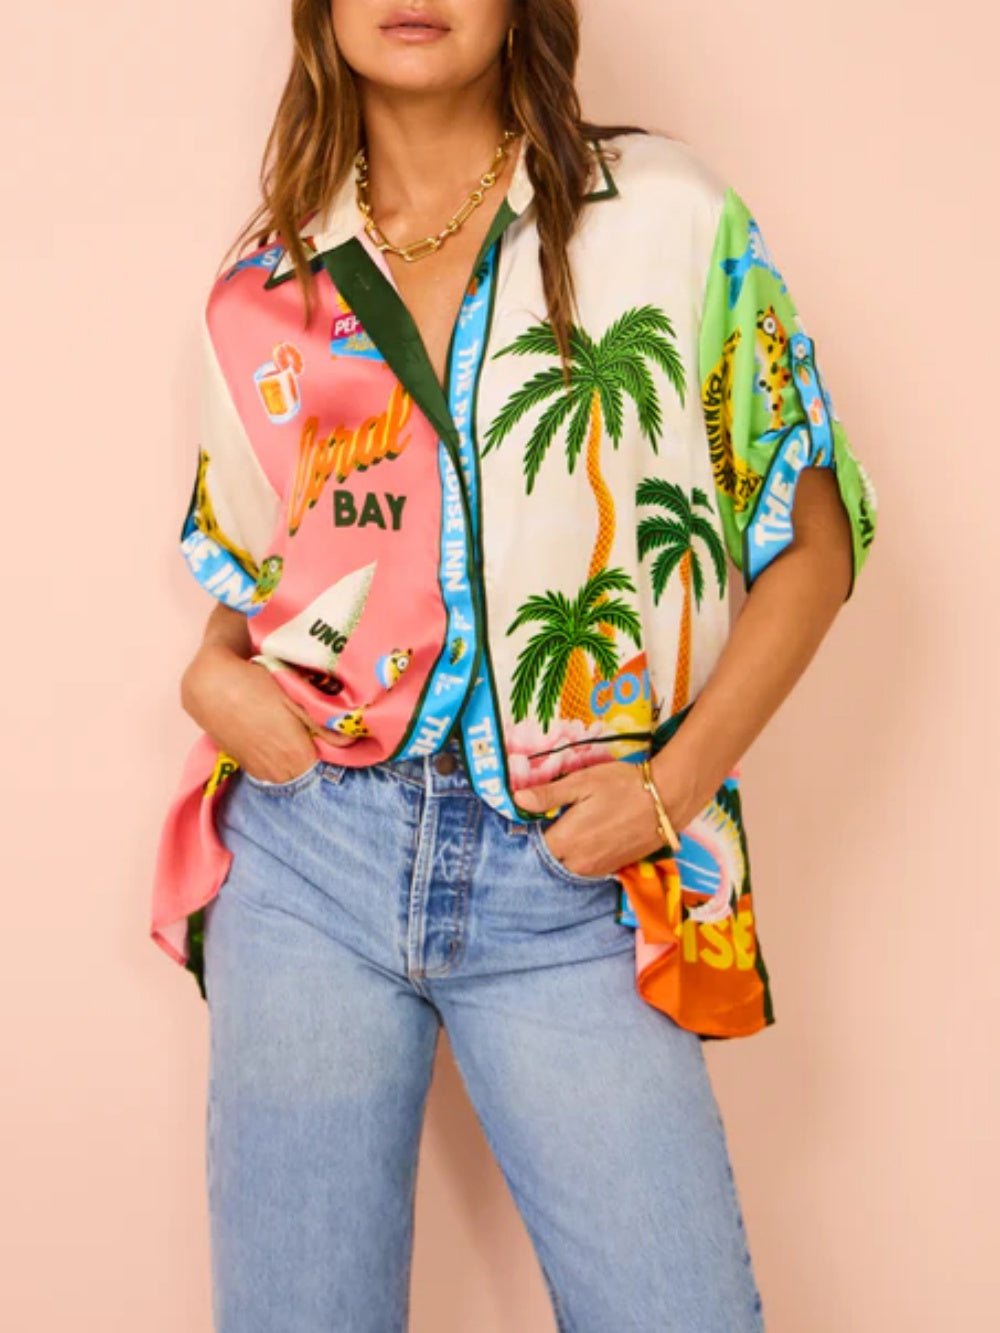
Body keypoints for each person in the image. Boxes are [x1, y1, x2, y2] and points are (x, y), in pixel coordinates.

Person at [150, 1, 878, 1328]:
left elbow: (814, 542)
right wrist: (213, 677)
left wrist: (665, 790)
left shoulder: (665, 218)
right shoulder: (265, 288)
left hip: (570, 878)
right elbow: (263, 582)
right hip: (310, 862)